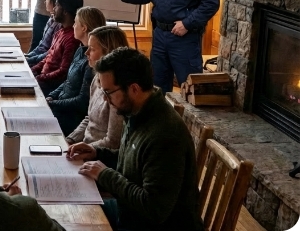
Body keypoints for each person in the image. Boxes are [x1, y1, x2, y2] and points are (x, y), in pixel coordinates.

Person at [68, 47, 204, 231]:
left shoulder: (165, 135)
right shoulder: (135, 111)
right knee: (73, 209)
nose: (106, 100)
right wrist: (97, 153)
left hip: (151, 224)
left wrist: (105, 174)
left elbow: (154, 209)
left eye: (108, 92)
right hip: (128, 213)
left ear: (134, 89)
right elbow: (135, 162)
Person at [46, 6, 106, 136]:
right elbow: (67, 81)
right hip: (60, 107)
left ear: (84, 28)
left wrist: (53, 104)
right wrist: (51, 96)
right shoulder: (80, 50)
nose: (73, 26)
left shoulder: (91, 62)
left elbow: (81, 101)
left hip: (70, 117)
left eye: (75, 23)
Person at [66, 25, 128, 149]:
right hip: (86, 146)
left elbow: (113, 141)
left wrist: (86, 149)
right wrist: (70, 139)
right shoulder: (97, 78)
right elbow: (89, 119)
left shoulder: (117, 90)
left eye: (92, 49)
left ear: (108, 53)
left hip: (98, 153)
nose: (86, 53)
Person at [31, 0, 83, 95]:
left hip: (50, 87)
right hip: (42, 80)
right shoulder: (60, 32)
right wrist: (33, 70)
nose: (54, 9)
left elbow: (63, 72)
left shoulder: (72, 39)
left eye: (57, 5)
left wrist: (39, 78)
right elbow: (48, 57)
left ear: (65, 11)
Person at [25, 0, 66, 66]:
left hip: (46, 62)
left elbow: (51, 51)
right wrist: (29, 56)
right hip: (38, 58)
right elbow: (42, 45)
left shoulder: (59, 25)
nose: (45, 2)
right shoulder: (51, 19)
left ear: (55, 2)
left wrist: (31, 60)